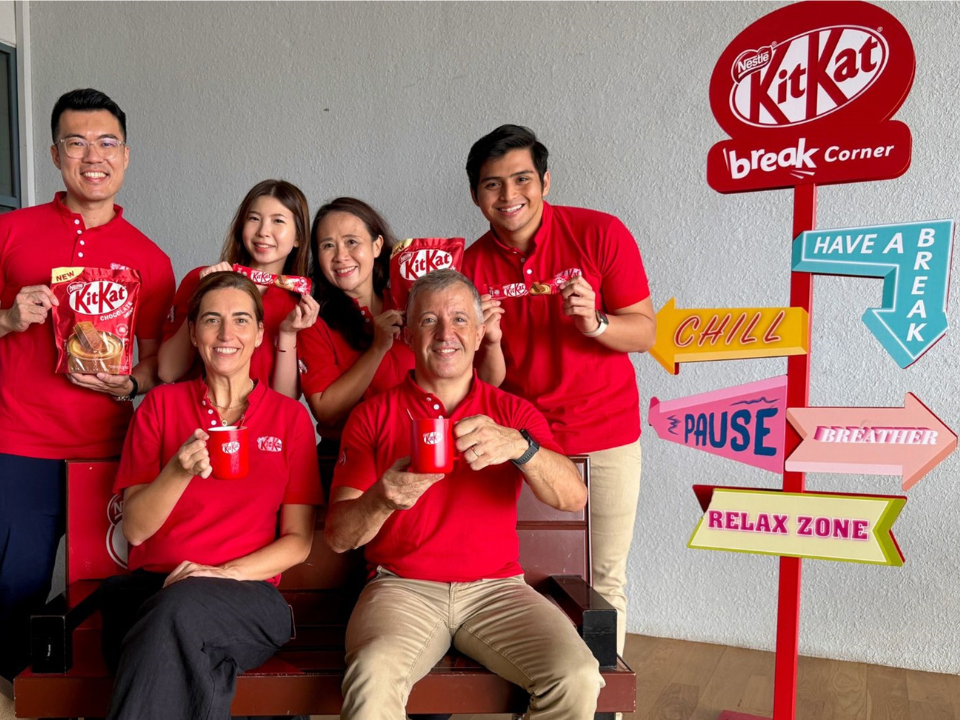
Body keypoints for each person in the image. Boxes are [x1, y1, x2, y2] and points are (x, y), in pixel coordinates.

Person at [326, 269, 604, 719]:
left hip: (497, 591)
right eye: (430, 321)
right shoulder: (373, 415)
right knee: (372, 673)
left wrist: (521, 447)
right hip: (402, 588)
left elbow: (573, 498)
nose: (445, 333)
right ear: (409, 335)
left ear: (478, 335)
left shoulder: (512, 412)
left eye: (459, 319)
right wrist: (383, 499)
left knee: (577, 676)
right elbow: (338, 537)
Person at [461, 124, 656, 657]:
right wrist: (491, 340)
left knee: (603, 580)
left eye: (521, 179)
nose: (509, 196)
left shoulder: (600, 233)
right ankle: (550, 697)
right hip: (524, 442)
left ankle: (602, 709)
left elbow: (645, 331)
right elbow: (487, 383)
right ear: (476, 195)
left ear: (545, 180)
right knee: (525, 581)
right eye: (492, 185)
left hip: (606, 434)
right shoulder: (470, 265)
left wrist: (595, 323)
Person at [0, 88, 175, 681]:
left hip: (110, 449)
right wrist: (6, 319)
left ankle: (87, 700)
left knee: (104, 590)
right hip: (17, 444)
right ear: (54, 154)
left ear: (125, 157)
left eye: (106, 143)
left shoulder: (149, 259)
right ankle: (12, 696)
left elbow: (152, 366)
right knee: (10, 589)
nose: (92, 156)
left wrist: (127, 383)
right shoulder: (11, 234)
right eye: (76, 143)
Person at [102, 271, 321, 720]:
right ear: (193, 333)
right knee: (183, 637)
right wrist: (178, 471)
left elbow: (298, 541)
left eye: (242, 320)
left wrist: (222, 574)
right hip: (155, 589)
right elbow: (136, 529)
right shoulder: (161, 407)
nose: (226, 334)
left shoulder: (289, 420)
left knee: (177, 615)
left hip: (247, 593)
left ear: (260, 334)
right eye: (211, 320)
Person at [158, 179, 318, 398]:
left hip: (260, 428)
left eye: (278, 221)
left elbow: (285, 400)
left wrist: (288, 333)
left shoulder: (301, 307)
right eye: (254, 218)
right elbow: (167, 371)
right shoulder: (200, 278)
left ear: (299, 237)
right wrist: (204, 296)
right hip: (194, 420)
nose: (263, 231)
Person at [297, 197, 414, 458]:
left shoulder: (410, 301)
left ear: (377, 245)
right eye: (328, 246)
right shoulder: (313, 320)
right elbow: (325, 411)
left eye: (351, 242)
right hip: (347, 456)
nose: (340, 256)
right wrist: (377, 348)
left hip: (418, 448)